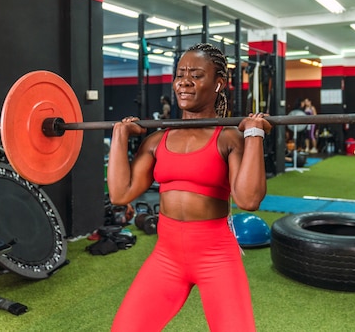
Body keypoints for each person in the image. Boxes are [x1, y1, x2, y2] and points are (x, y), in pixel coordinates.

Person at [107, 42, 271, 332]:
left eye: (196, 75)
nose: (184, 81)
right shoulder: (156, 140)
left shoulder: (228, 138)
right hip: (166, 255)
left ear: (218, 83)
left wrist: (254, 134)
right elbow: (121, 193)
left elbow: (248, 200)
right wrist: (120, 137)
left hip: (216, 256)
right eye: (180, 74)